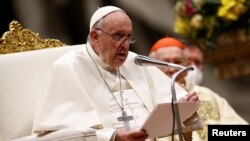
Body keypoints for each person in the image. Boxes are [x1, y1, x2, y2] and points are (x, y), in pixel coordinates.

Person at [32, 6, 199, 141]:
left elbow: (166, 105)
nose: (125, 45)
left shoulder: (134, 61)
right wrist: (112, 137)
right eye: (118, 36)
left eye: (128, 37)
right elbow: (56, 135)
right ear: (95, 37)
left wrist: (181, 105)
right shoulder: (68, 67)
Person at [149, 37, 248, 141]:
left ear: (186, 65)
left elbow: (241, 131)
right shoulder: (148, 98)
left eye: (177, 62)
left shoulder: (208, 95)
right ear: (152, 68)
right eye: (164, 63)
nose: (172, 69)